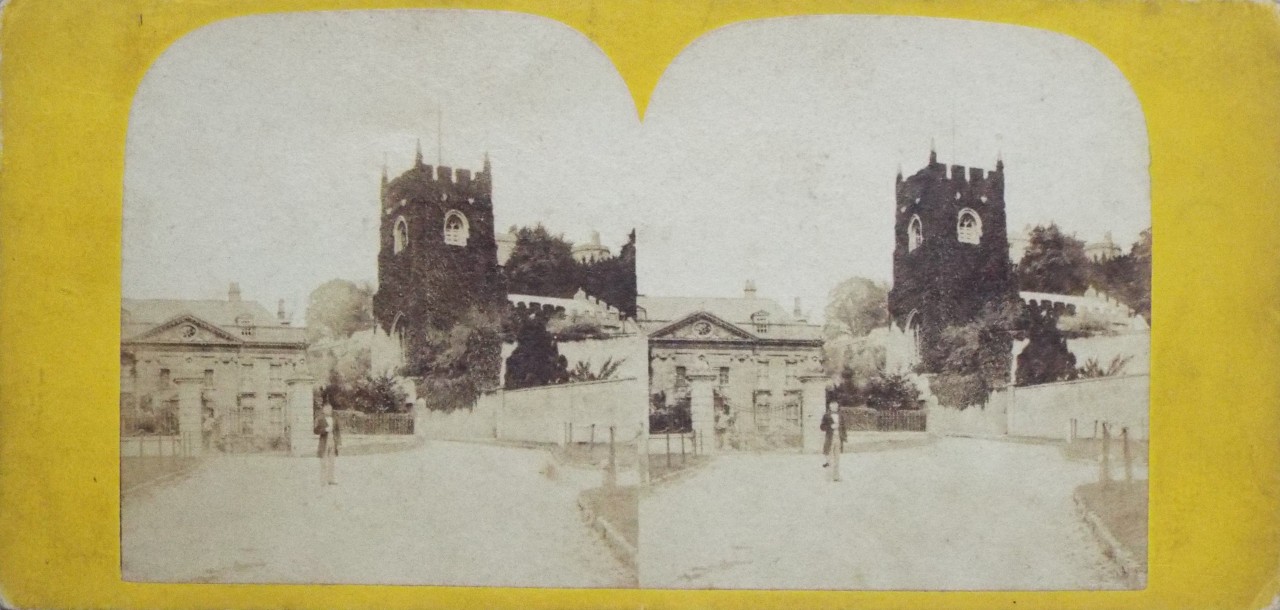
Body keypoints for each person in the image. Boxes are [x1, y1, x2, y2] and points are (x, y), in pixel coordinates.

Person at [314, 403, 341, 486]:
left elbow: (337, 431)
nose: (329, 411)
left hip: (333, 442)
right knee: (323, 463)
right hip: (324, 442)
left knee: (332, 462)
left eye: (330, 409)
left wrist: (339, 443)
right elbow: (315, 431)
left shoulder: (335, 419)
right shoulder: (319, 419)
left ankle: (331, 480)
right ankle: (323, 481)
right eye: (327, 409)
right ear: (323, 410)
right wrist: (325, 429)